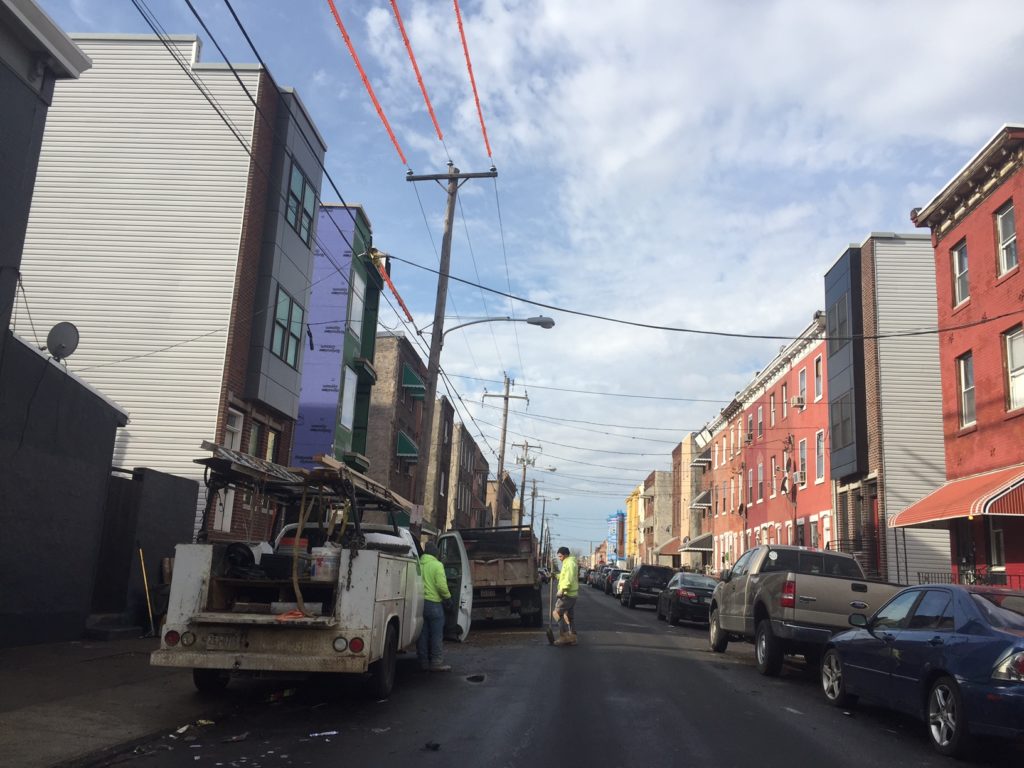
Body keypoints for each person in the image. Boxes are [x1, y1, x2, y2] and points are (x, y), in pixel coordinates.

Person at [417, 541, 452, 672]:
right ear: (435, 553)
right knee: (436, 634)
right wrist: (448, 598)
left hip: (420, 603)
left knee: (423, 634)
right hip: (434, 604)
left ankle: (423, 662)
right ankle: (436, 662)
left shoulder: (418, 564)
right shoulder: (437, 565)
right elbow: (441, 586)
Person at [552, 546, 578, 646]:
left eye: (560, 556)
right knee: (568, 616)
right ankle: (573, 637)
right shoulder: (568, 562)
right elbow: (564, 576)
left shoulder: (570, 563)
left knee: (556, 613)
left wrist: (562, 589)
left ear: (566, 555)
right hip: (572, 594)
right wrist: (556, 575)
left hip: (567, 594)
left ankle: (564, 637)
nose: (559, 558)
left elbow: (569, 578)